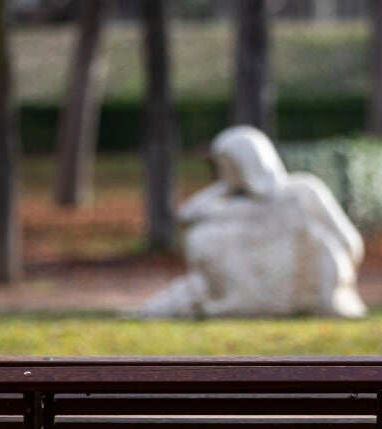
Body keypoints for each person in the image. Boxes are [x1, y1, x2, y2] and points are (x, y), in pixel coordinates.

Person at [134, 125, 367, 319]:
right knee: (202, 236)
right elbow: (188, 214)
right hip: (257, 286)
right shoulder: (240, 204)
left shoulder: (300, 190)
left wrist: (339, 276)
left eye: (228, 166)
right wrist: (224, 187)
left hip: (306, 282)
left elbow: (348, 239)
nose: (225, 172)